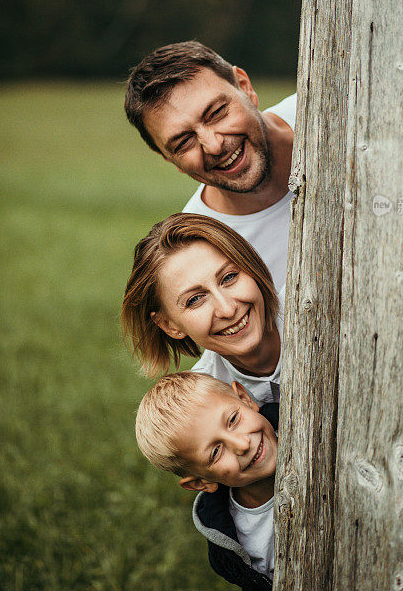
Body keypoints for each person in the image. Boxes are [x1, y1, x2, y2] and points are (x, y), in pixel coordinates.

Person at [124, 41, 296, 294]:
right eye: (184, 142)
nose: (214, 146)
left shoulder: (340, 109)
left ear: (245, 87)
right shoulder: (203, 251)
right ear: (167, 157)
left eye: (216, 112)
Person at [135, 372, 277, 591]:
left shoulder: (313, 427)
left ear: (245, 398)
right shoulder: (232, 542)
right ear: (202, 482)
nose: (242, 444)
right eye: (215, 452)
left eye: (233, 420)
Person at [121, 213, 282, 405]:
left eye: (229, 277)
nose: (227, 309)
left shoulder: (320, 308)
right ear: (169, 325)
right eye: (195, 299)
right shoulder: (201, 405)